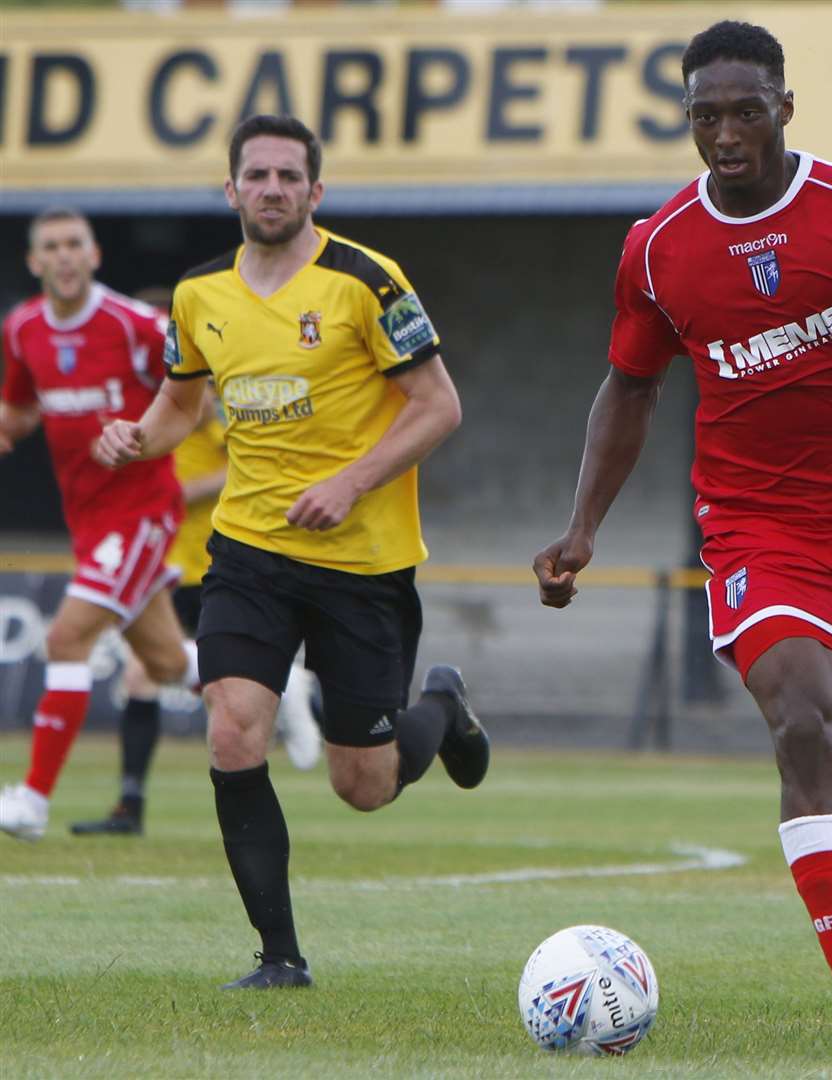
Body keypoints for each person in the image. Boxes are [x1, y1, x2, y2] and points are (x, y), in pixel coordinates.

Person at [533, 21, 832, 1056]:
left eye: (744, 111)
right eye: (704, 116)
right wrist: (582, 526)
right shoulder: (656, 247)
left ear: (785, 109)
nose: (725, 133)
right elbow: (629, 386)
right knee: (798, 726)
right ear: (686, 122)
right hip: (754, 530)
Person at [93, 114, 489, 989]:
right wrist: (138, 437)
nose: (271, 189)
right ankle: (280, 958)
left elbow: (438, 405)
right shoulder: (198, 295)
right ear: (228, 189)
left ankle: (443, 707)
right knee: (233, 732)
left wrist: (350, 483)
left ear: (317, 191)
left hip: (363, 561)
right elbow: (181, 406)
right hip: (248, 553)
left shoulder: (367, 281)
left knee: (364, 784)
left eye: (288, 176)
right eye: (256, 175)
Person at [0, 208, 201, 842]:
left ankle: (31, 801)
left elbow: (193, 388)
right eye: (51, 246)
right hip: (86, 518)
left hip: (142, 510)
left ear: (94, 256)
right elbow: (21, 409)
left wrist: (144, 434)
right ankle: (288, 689)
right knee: (167, 663)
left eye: (74, 244)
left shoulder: (138, 325)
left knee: (65, 639)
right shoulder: (23, 329)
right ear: (34, 262)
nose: (63, 256)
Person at [71, 369, 325, 838]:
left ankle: (281, 696)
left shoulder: (211, 410)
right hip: (165, 564)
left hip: (215, 565)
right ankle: (131, 805)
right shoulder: (148, 415)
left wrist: (181, 494)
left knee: (210, 686)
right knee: (146, 675)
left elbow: (247, 466)